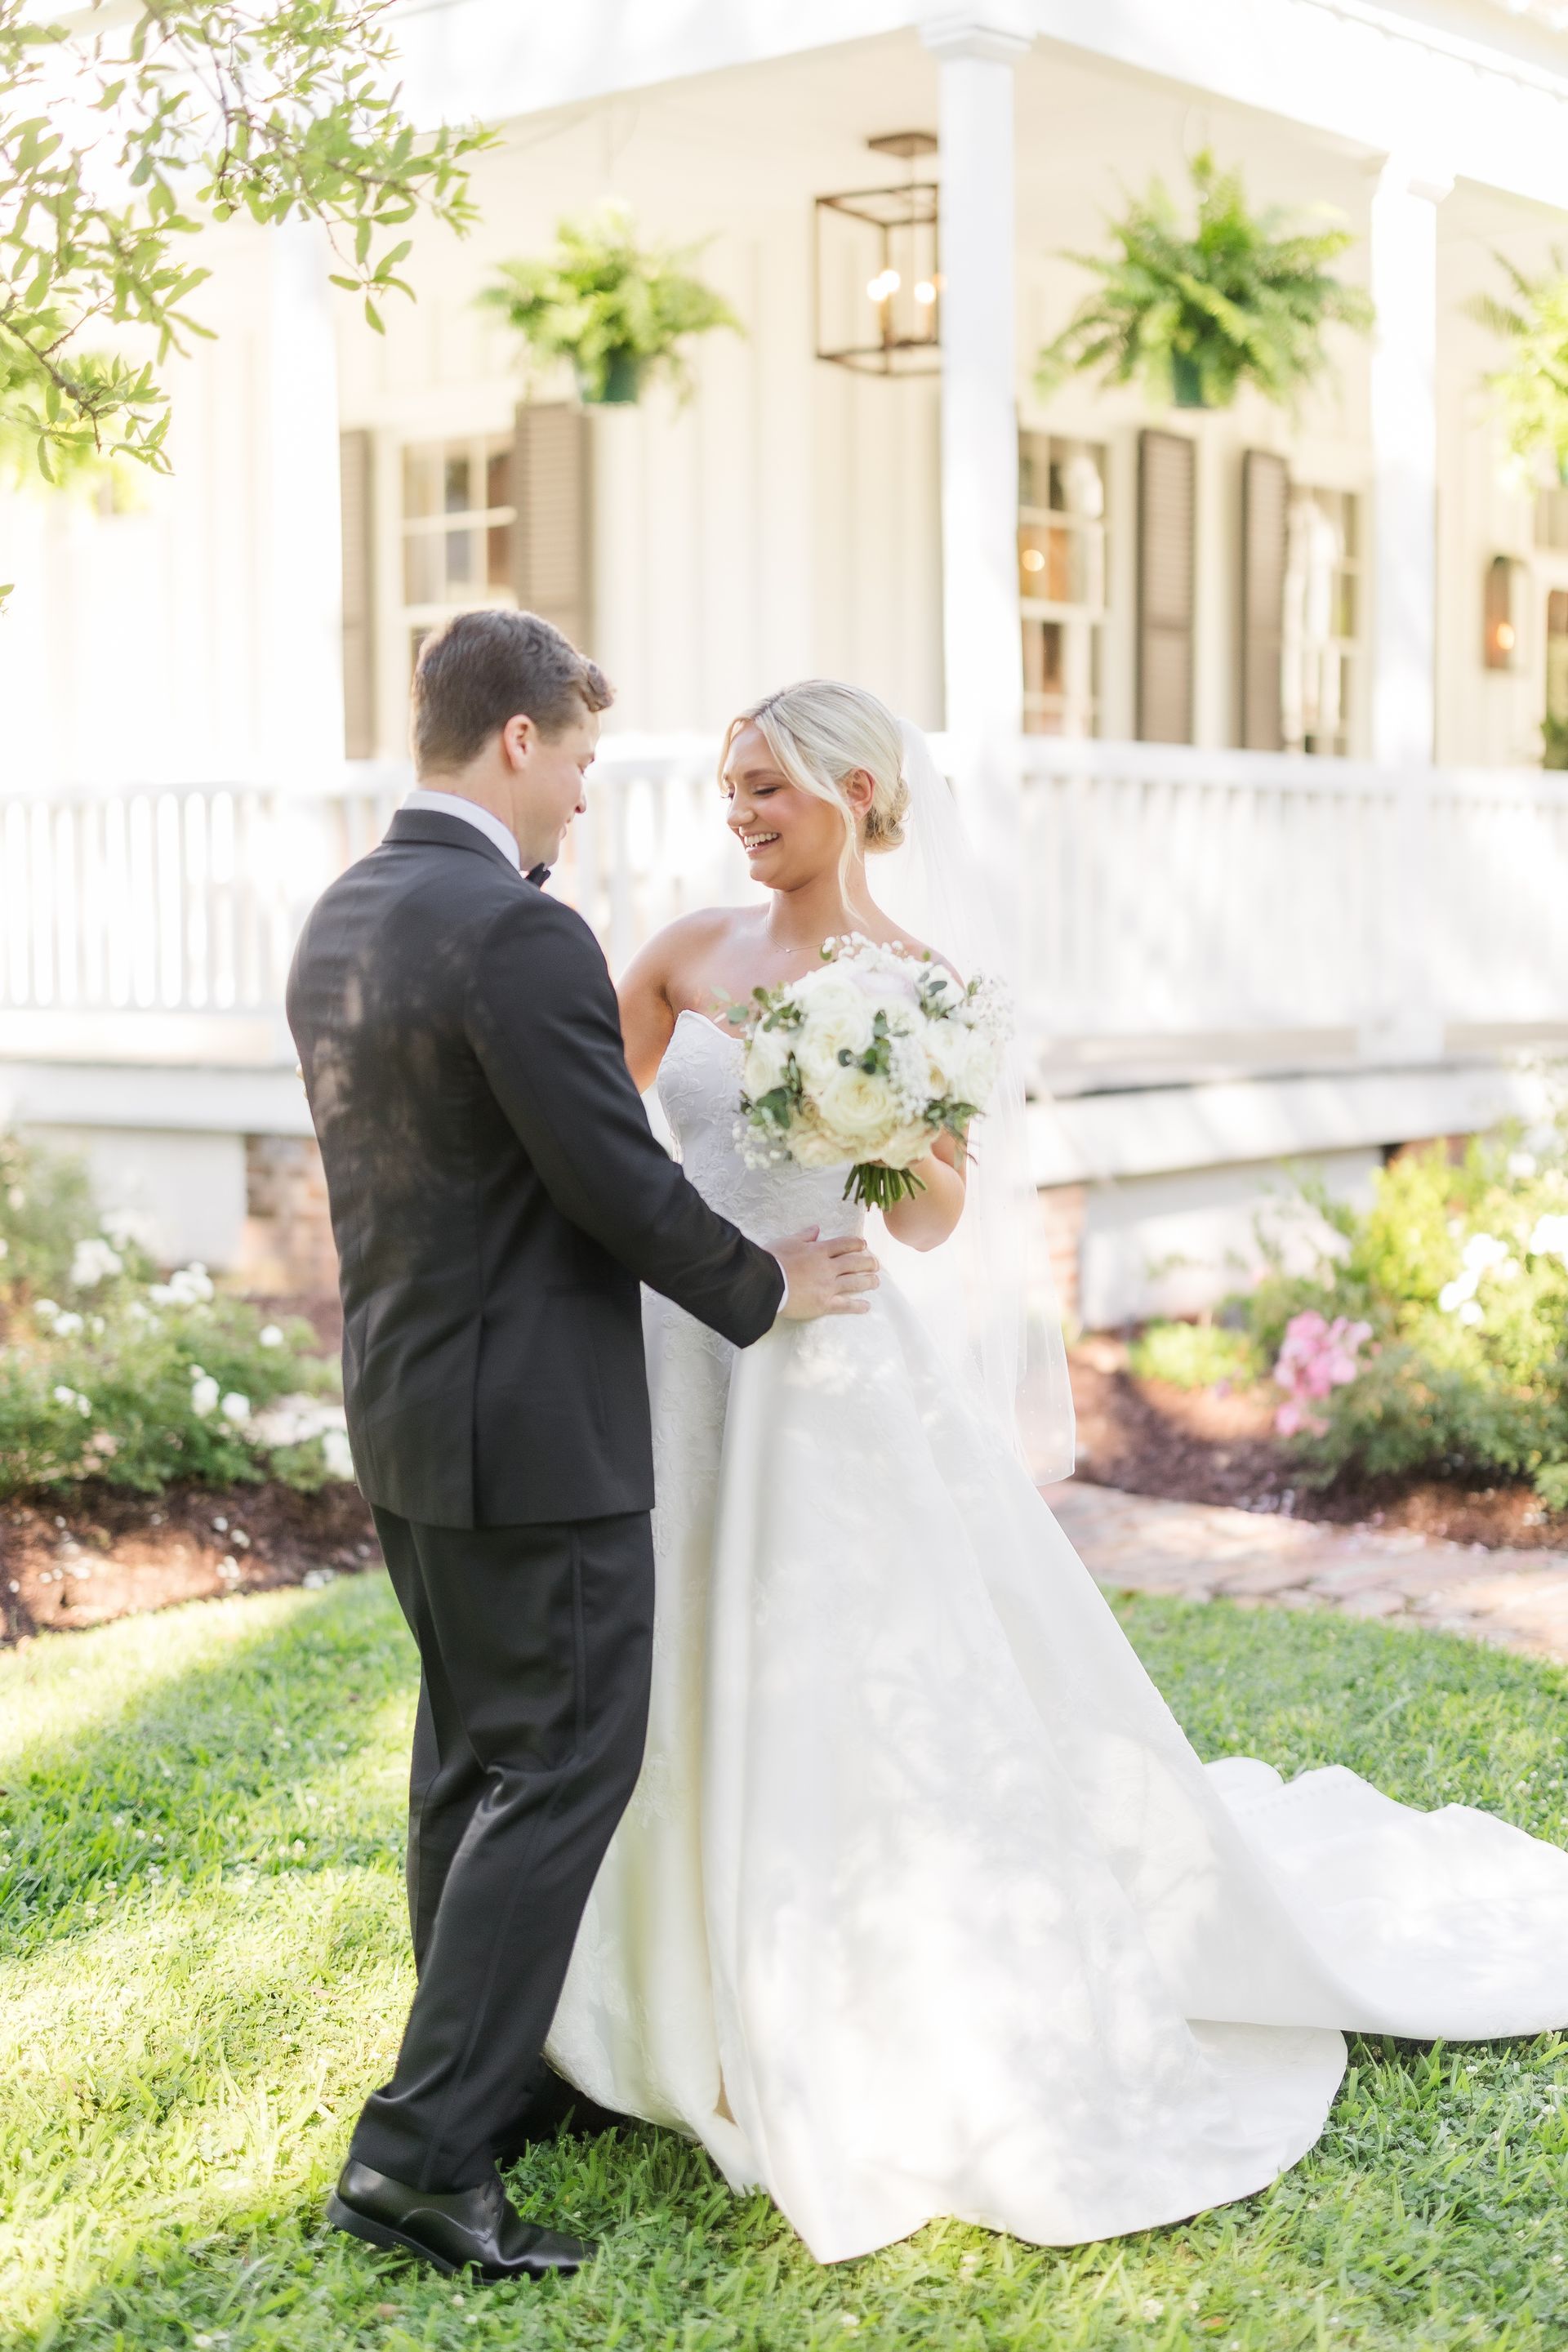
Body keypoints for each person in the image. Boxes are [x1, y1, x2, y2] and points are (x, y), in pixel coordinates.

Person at [544, 675, 1568, 2265]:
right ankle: (649, 1996)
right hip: (692, 1352)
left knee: (837, 1673)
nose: (741, 818)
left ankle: (838, 2004)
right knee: (666, 1646)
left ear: (861, 791)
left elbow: (939, 1223)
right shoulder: (682, 953)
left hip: (830, 1373)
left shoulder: (925, 985)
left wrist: (886, 1132)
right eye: (730, 792)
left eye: (768, 791)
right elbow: (602, 1152)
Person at [285, 615, 879, 2283]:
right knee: (561, 1768)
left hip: (408, 1414)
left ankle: (487, 2082)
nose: (589, 804)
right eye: (588, 763)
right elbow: (610, 1179)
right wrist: (768, 1287)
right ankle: (420, 2156)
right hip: (536, 1437)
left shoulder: (344, 914)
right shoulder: (516, 932)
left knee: (472, 1759)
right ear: (524, 743)